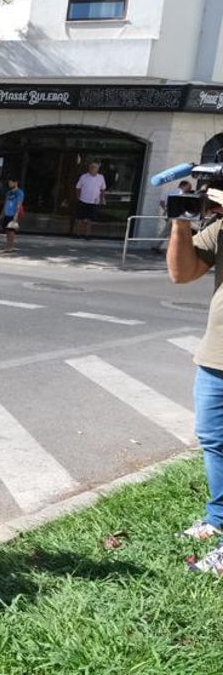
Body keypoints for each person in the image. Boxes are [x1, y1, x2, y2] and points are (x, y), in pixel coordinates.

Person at [167, 208, 223, 575]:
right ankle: (218, 517)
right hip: (217, 355)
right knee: (214, 440)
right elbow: (182, 273)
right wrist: (181, 223)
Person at [156, 180, 195, 253]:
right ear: (183, 185)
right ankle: (156, 246)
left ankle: (168, 247)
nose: (189, 189)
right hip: (175, 215)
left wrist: (166, 209)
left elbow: (161, 202)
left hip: (168, 213)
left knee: (171, 231)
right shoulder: (180, 193)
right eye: (188, 187)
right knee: (170, 230)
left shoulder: (170, 191)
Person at [73, 161, 107, 238]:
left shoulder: (101, 178)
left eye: (95, 168)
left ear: (97, 169)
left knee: (90, 220)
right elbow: (78, 187)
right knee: (79, 218)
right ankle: (77, 234)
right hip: (83, 200)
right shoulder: (83, 177)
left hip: (94, 201)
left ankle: (87, 235)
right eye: (91, 167)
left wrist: (102, 199)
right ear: (89, 168)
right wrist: (78, 197)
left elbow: (103, 189)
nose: (93, 169)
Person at [0, 177, 24, 252]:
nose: (9, 184)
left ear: (16, 182)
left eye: (11, 182)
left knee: (11, 231)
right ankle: (8, 245)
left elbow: (19, 204)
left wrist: (16, 215)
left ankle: (11, 246)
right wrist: (2, 214)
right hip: (7, 213)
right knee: (7, 230)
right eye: (9, 182)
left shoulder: (19, 192)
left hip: (13, 214)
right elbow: (5, 203)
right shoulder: (8, 193)